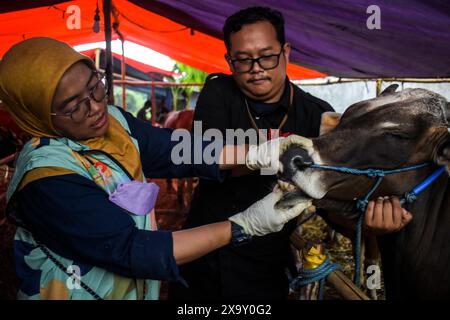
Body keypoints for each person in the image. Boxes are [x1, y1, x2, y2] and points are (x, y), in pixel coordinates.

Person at [0, 37, 312, 300]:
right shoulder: (46, 179)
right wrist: (244, 225)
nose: (96, 106)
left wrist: (259, 153)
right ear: (38, 114)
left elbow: (175, 149)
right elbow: (132, 250)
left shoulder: (114, 123)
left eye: (95, 86)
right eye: (73, 106)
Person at [169, 7, 412, 300]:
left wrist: (369, 226)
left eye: (267, 55)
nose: (256, 67)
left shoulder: (317, 115)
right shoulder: (218, 93)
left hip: (266, 263)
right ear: (229, 61)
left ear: (286, 52)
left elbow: (330, 202)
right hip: (203, 252)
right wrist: (280, 150)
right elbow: (210, 158)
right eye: (244, 59)